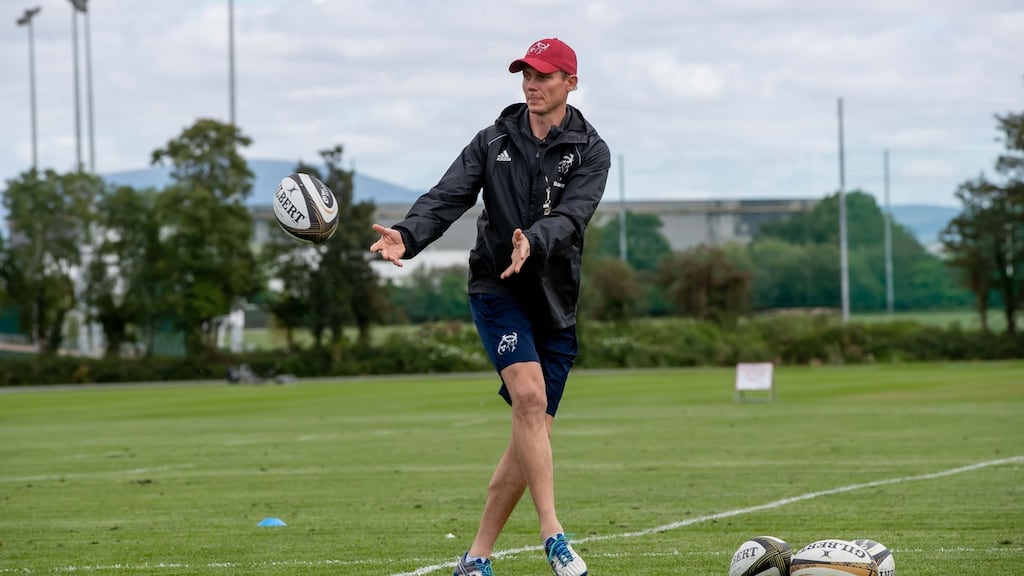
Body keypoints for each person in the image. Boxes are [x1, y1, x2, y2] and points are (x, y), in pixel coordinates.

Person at [370, 37, 610, 576]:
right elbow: (448, 194)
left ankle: (477, 557)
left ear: (570, 82)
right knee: (528, 396)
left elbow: (574, 214)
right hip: (496, 287)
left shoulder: (592, 150)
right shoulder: (493, 140)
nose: (532, 84)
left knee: (531, 439)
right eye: (526, 74)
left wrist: (535, 240)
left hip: (554, 300)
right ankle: (554, 533)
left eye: (545, 76)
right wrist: (407, 235)